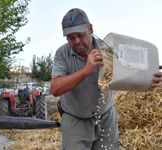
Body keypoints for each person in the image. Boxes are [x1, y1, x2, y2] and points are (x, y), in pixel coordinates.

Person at [50, 8, 162, 150]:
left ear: (90, 29)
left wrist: (151, 76)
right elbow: (55, 88)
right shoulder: (62, 53)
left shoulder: (108, 48)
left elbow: (132, 69)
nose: (77, 41)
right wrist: (86, 70)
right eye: (71, 37)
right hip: (75, 120)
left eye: (80, 35)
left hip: (106, 117)